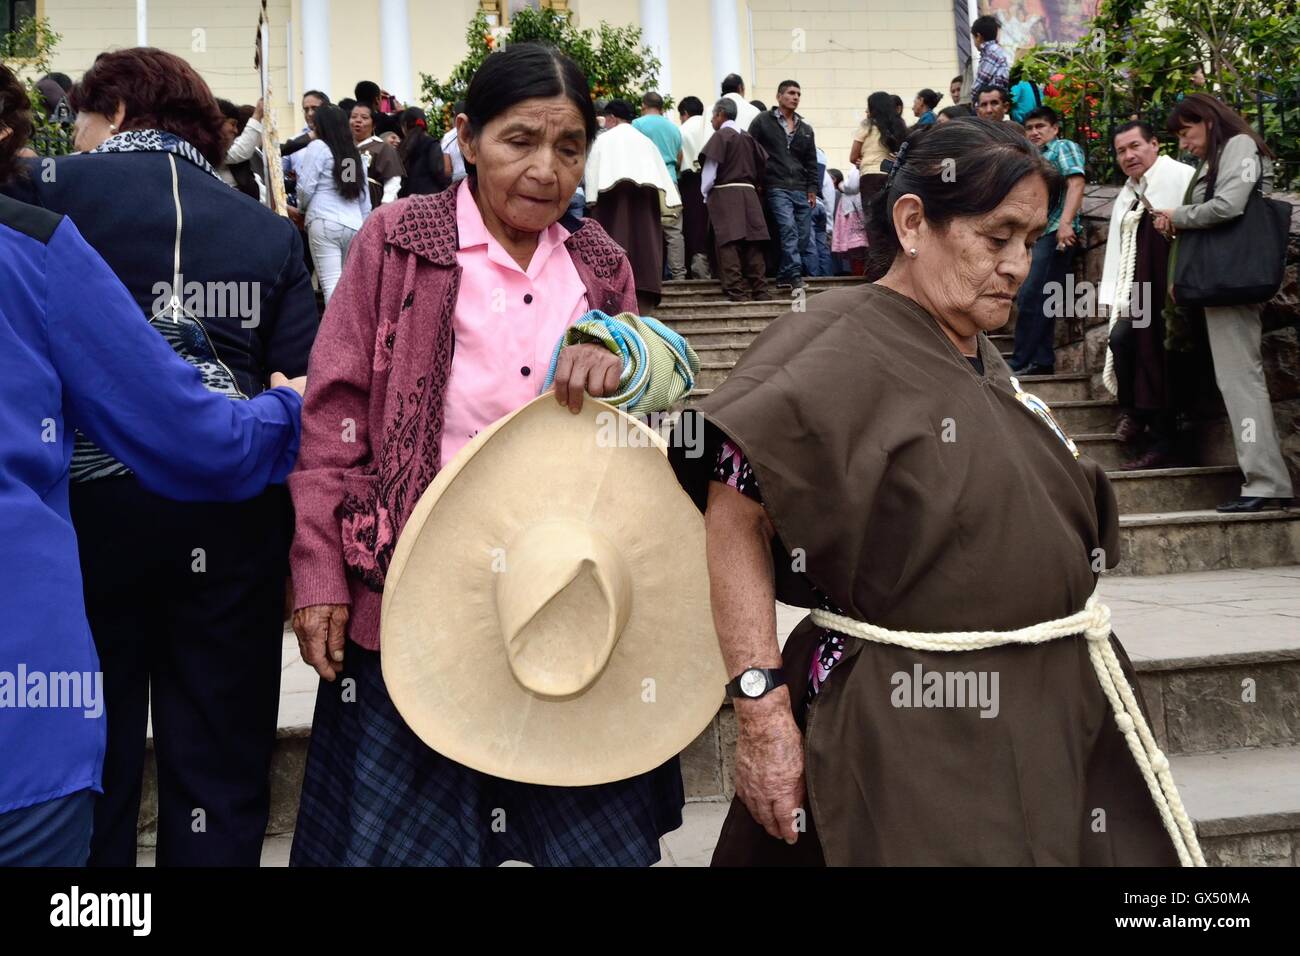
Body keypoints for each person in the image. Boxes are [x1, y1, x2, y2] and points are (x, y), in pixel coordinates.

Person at [669, 118, 1201, 868]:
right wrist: (761, 711)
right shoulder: (832, 341)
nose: (1019, 264)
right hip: (918, 723)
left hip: (1057, 704)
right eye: (997, 237)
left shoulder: (976, 353)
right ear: (914, 222)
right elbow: (735, 513)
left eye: (1031, 239)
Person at [287, 43, 692, 867]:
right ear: (467, 140)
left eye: (570, 146)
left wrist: (625, 360)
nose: (547, 170)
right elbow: (334, 416)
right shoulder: (398, 242)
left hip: (562, 603)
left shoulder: (597, 263)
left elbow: (664, 382)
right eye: (520, 141)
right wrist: (319, 572)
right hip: (413, 599)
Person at [0, 56, 314, 868]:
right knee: (219, 768)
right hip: (233, 515)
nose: (70, 133)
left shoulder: (41, 199)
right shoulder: (269, 230)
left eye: (78, 117)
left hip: (82, 526)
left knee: (89, 770)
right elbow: (301, 381)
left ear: (117, 108)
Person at [1153, 94, 1294, 513]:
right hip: (1223, 283)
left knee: (1240, 382)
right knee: (1236, 381)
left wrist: (1178, 214)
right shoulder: (1223, 152)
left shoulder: (1238, 146)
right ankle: (1264, 480)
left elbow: (1230, 206)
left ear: (1209, 121)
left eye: (1186, 131)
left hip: (1234, 281)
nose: (1184, 143)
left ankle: (1267, 483)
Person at [1098, 121, 1196, 470]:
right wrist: (1114, 296)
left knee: (1163, 360)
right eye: (1121, 150)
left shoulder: (1180, 176)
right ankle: (1135, 412)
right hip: (1139, 290)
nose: (1129, 155)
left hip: (1171, 289)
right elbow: (1117, 245)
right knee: (1121, 339)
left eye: (1135, 146)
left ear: (1154, 144)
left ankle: (1164, 440)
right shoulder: (1127, 191)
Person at [585, 99, 681, 312]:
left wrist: (591, 199)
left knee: (611, 251)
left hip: (608, 208)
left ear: (611, 118)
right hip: (645, 210)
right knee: (644, 252)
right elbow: (664, 187)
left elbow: (591, 181)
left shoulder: (603, 140)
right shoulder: (646, 142)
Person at [1009, 106, 1085, 376]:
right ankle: (1041, 361)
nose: (1034, 132)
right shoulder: (1033, 157)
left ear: (1054, 128)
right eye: (1029, 128)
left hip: (1056, 233)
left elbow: (1075, 183)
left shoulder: (1062, 148)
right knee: (1041, 297)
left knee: (1031, 293)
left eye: (1040, 126)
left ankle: (1020, 362)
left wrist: (1065, 224)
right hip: (1040, 234)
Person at [748, 80, 819, 290]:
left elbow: (811, 162)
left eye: (798, 93)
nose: (795, 97)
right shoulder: (762, 121)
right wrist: (758, 180)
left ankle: (784, 275)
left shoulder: (805, 129)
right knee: (788, 229)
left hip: (800, 186)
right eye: (791, 93)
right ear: (779, 96)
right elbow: (751, 149)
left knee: (804, 234)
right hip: (776, 184)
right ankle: (794, 275)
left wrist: (813, 188)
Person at [297, 104, 372, 303]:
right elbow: (363, 199)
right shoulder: (353, 153)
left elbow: (305, 187)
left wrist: (301, 209)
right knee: (347, 287)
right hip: (353, 224)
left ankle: (338, 334)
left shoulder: (319, 147)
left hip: (324, 220)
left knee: (331, 284)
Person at [700, 98, 771, 302]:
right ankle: (760, 290)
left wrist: (706, 195)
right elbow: (762, 166)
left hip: (725, 193)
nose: (712, 120)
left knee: (729, 243)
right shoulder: (748, 137)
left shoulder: (721, 136)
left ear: (721, 114)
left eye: (713, 116)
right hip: (750, 193)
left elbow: (709, 172)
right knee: (753, 243)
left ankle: (736, 292)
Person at [633, 91, 686, 281]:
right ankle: (679, 275)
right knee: (673, 230)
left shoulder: (637, 124)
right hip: (670, 181)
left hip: (647, 180)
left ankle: (650, 275)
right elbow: (680, 158)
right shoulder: (674, 128)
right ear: (662, 107)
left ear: (644, 106)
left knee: (647, 228)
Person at [677, 95, 714, 279]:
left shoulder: (682, 130)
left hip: (689, 181)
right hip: (713, 179)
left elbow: (679, 158)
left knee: (692, 225)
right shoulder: (710, 126)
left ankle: (695, 268)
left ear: (684, 114)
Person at [350, 103, 404, 209]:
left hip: (373, 203)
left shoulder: (383, 147)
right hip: (349, 206)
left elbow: (393, 180)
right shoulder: (345, 149)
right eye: (354, 117)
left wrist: (385, 204)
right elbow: (347, 178)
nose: (358, 120)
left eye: (364, 117)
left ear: (373, 124)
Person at [216, 98, 267, 203]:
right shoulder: (205, 148)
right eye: (232, 124)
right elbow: (242, 150)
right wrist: (257, 115)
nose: (235, 130)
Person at [396, 106, 449, 196]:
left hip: (406, 199)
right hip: (429, 199)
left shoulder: (400, 148)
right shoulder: (431, 143)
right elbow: (438, 171)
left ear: (404, 126)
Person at [829, 166, 867, 276]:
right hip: (864, 230)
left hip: (852, 230)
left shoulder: (845, 195)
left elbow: (853, 185)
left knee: (856, 256)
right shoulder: (868, 192)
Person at [970, 14, 1010, 101]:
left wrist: (973, 100)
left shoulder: (991, 53)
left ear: (978, 37)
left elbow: (979, 84)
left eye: (973, 38)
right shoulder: (996, 50)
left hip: (991, 101)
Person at [439, 99, 468, 185]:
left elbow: (447, 170)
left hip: (458, 180)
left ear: (455, 116)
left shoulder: (447, 137)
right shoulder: (475, 131)